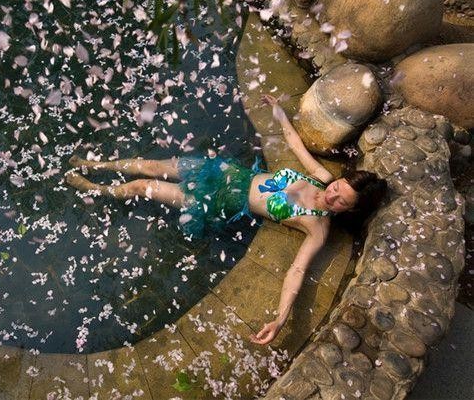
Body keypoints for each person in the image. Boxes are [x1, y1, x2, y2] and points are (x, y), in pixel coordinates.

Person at [64, 93, 388, 345]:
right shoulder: (320, 177)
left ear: (349, 209)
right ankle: (97, 166)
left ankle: (96, 189)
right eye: (337, 187)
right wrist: (278, 111)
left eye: (339, 200)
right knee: (150, 166)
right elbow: (295, 143)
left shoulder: (317, 227)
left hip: (220, 199)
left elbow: (298, 270)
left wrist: (280, 318)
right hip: (225, 173)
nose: (331, 195)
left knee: (141, 187)